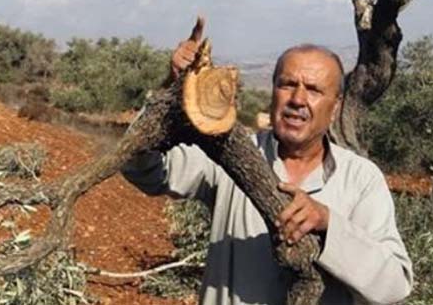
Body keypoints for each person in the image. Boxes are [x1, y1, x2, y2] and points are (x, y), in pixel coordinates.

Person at [122, 22, 413, 305]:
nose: (297, 99)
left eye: (313, 90)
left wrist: (328, 224)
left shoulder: (360, 179)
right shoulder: (231, 152)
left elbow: (394, 285)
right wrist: (171, 92)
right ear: (273, 92)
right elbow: (142, 168)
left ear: (335, 106)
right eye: (287, 84)